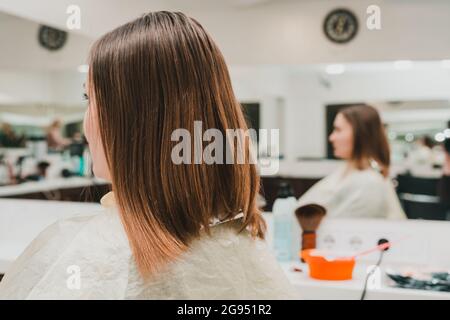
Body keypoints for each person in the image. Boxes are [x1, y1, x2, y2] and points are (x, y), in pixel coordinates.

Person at [0, 12, 297, 299]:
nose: (86, 121)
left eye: (89, 98)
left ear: (131, 120)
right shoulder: (244, 246)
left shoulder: (94, 255)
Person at [297, 105, 406, 219]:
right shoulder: (346, 171)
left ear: (360, 134)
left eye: (338, 130)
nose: (331, 137)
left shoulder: (370, 184)